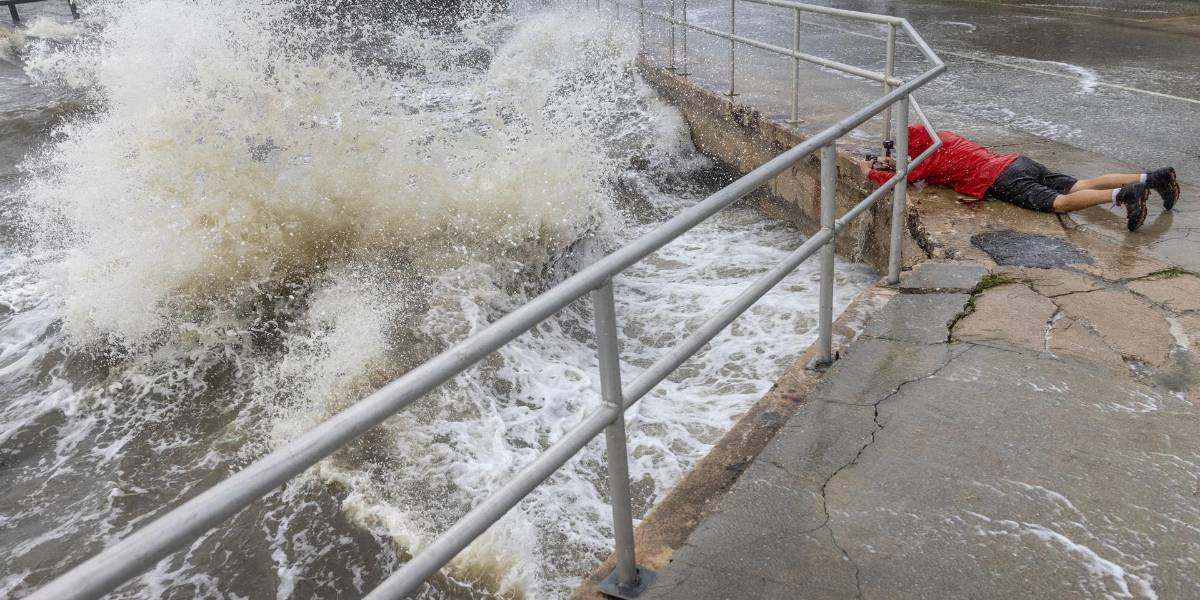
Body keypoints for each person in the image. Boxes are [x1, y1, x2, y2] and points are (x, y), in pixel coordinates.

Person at [858, 124, 1180, 231]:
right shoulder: (943, 138)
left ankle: (1124, 196)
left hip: (1002, 179)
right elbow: (919, 160)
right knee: (1080, 183)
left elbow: (901, 179)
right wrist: (900, 158)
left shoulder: (926, 161)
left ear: (915, 148)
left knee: (1060, 203)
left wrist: (869, 170)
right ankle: (1152, 177)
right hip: (1018, 162)